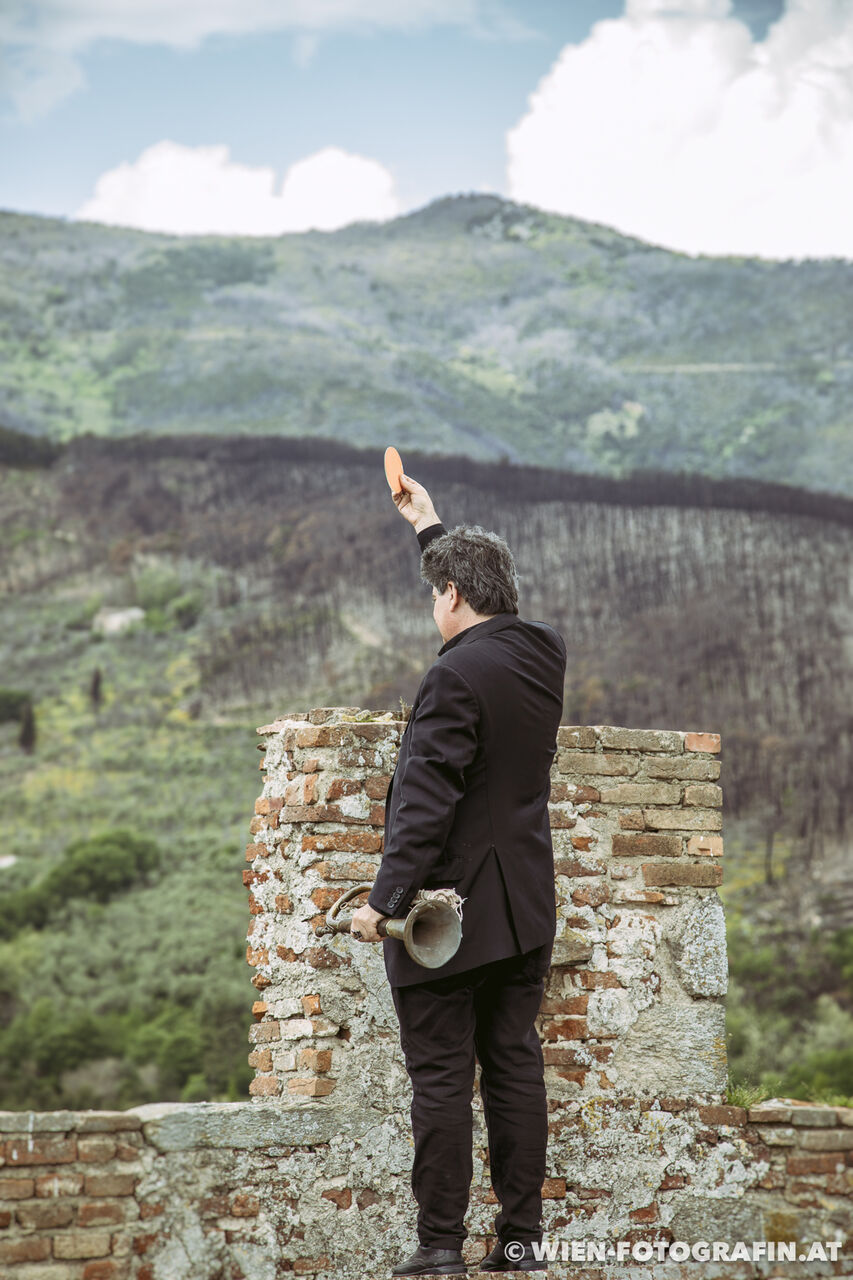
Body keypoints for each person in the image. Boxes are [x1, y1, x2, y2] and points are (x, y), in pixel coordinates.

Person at [350, 472, 567, 1277]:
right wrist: (426, 523)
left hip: (450, 916)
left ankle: (439, 1247)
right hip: (526, 909)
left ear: (448, 597)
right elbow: (482, 601)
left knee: (441, 1079)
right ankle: (520, 1243)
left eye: (435, 594)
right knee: (513, 1065)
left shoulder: (449, 677)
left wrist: (384, 906)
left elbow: (424, 806)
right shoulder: (541, 651)